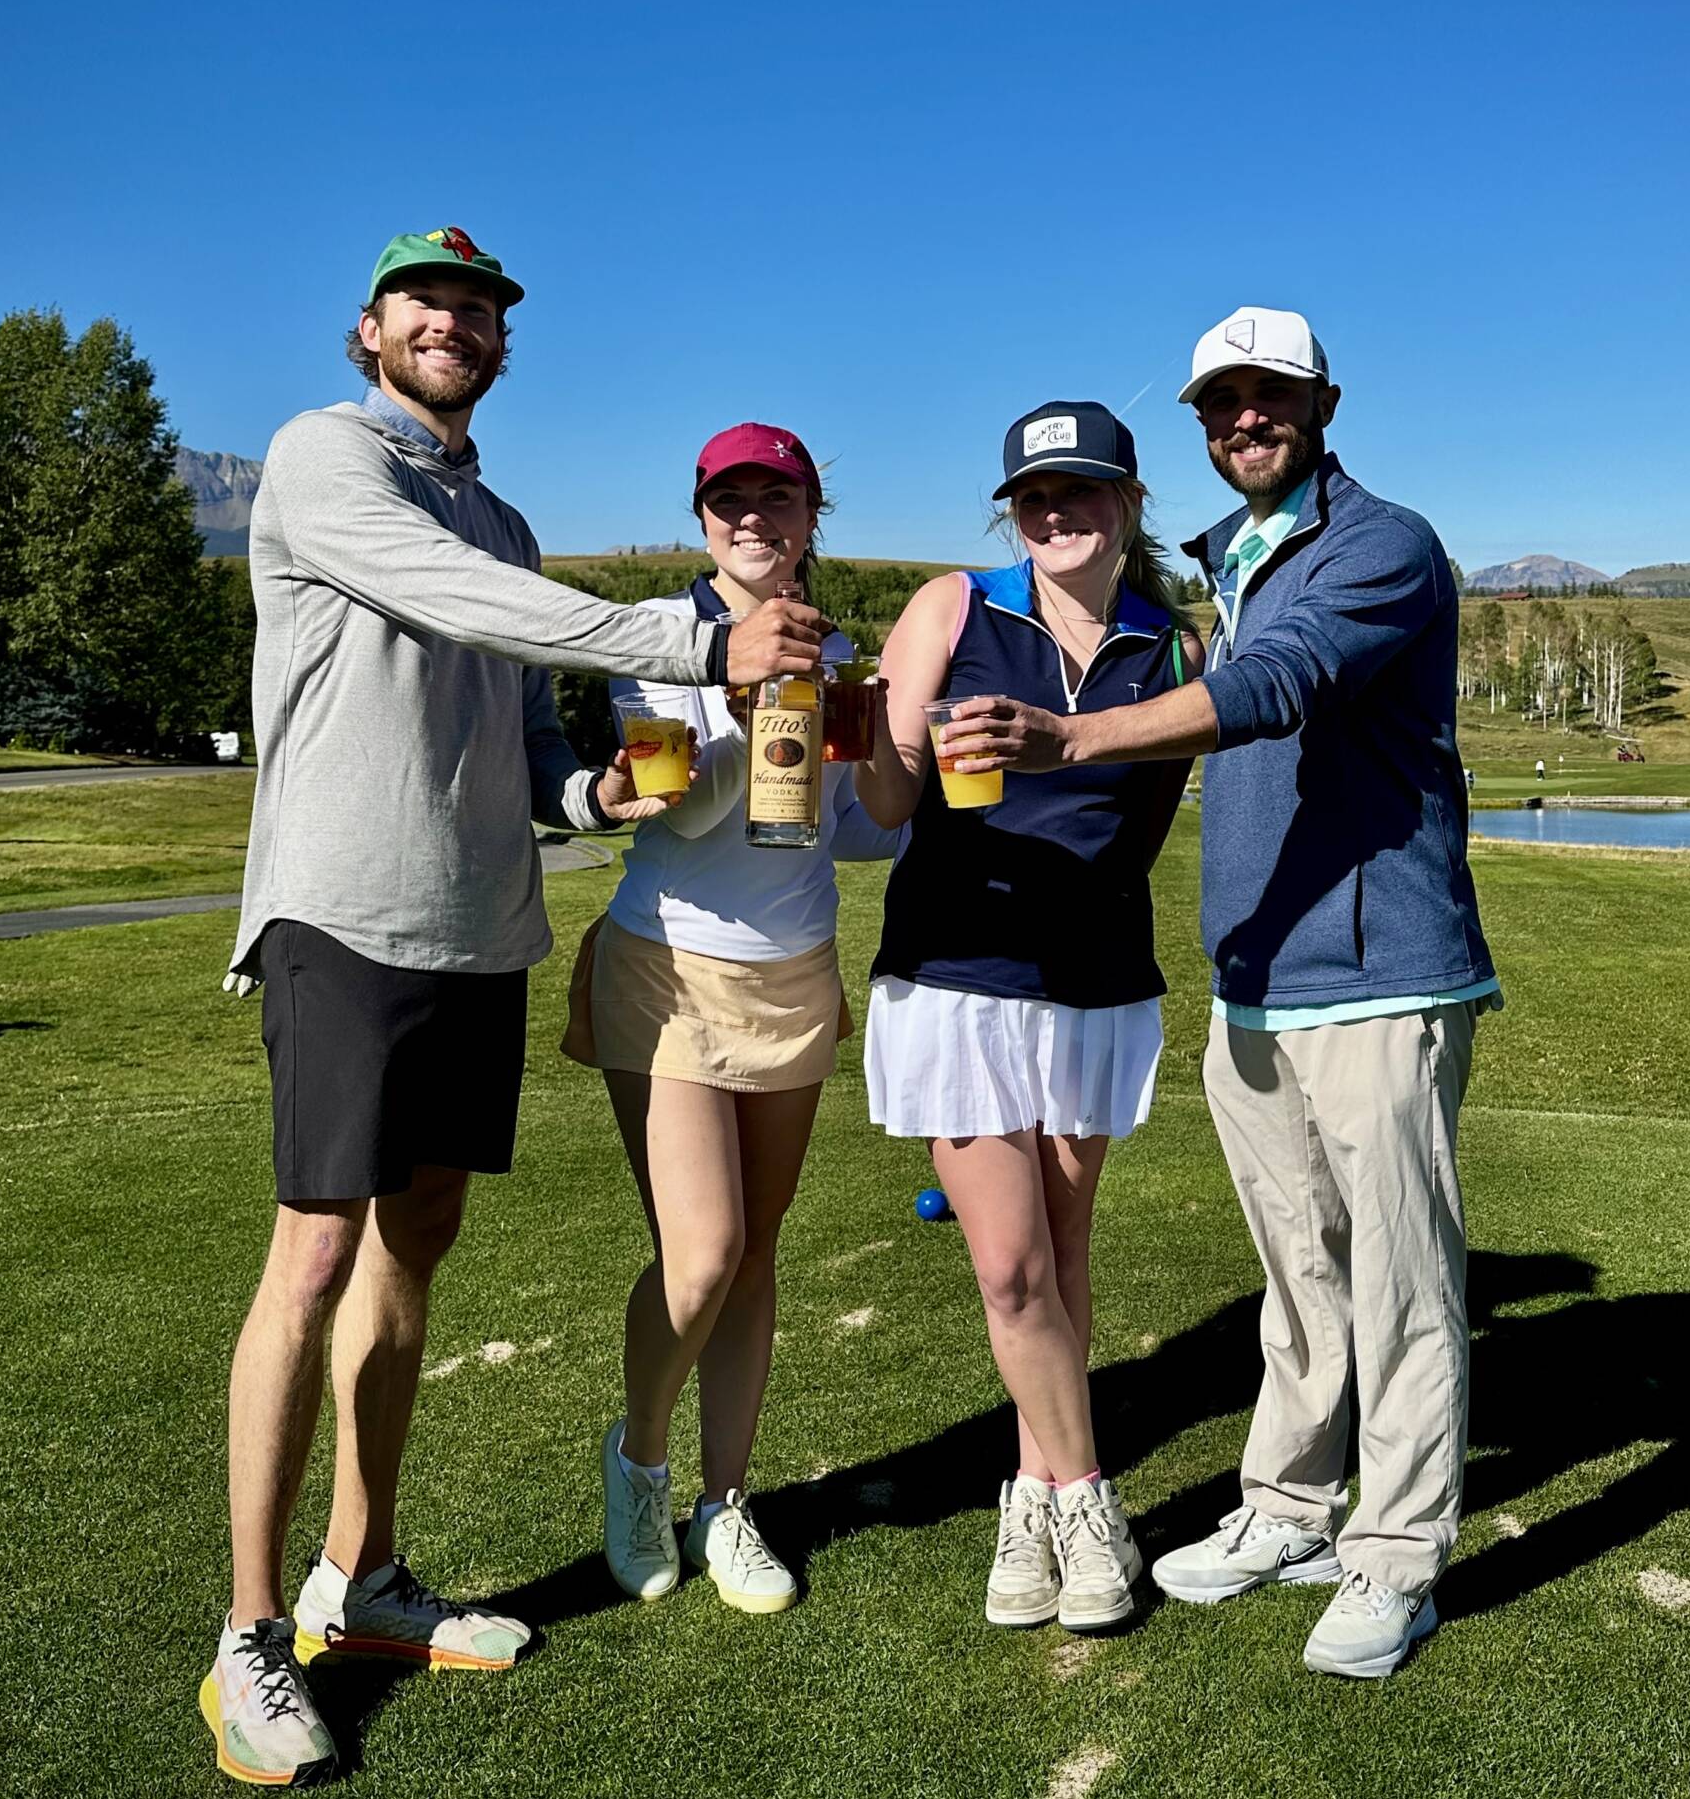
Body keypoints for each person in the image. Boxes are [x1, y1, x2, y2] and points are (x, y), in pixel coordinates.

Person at [202, 231, 825, 1790]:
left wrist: (593, 790)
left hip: (481, 933)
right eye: (428, 302)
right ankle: (251, 1638)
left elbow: (523, 725)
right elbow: (466, 605)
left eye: (480, 309)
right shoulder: (325, 457)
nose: (455, 323)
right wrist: (699, 643)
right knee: (316, 1252)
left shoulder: (504, 517)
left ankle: (369, 1576)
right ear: (368, 328)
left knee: (414, 1246)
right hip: (345, 916)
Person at [940, 309, 1498, 1679]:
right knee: (1299, 1275)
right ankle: (1293, 1507)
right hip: (1259, 980)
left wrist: (1069, 734)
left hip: (1380, 974)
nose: (1244, 418)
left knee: (1404, 1277)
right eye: (1220, 403)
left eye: (1270, 397)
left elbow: (1278, 685)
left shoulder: (1380, 545)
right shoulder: (1227, 561)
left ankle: (1395, 1553)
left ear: (1322, 404)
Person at [854, 403, 1204, 1632]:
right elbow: (889, 798)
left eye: (1083, 490)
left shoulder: (1171, 647)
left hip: (1094, 981)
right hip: (959, 974)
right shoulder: (955, 605)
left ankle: (1028, 1487)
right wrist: (875, 740)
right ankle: (1091, 1503)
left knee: (1060, 1254)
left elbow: (1142, 832)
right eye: (1035, 494)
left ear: (1129, 500)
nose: (1058, 512)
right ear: (1012, 509)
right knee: (1007, 1265)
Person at [562, 423, 897, 1615]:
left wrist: (903, 767)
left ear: (812, 515)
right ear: (702, 516)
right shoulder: (659, 637)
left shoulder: (843, 648)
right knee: (699, 1254)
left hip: (794, 974)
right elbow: (679, 813)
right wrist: (738, 686)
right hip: (666, 967)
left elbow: (846, 828)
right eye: (731, 498)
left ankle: (727, 1502)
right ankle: (639, 1462)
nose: (753, 516)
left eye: (779, 496)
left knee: (754, 1255)